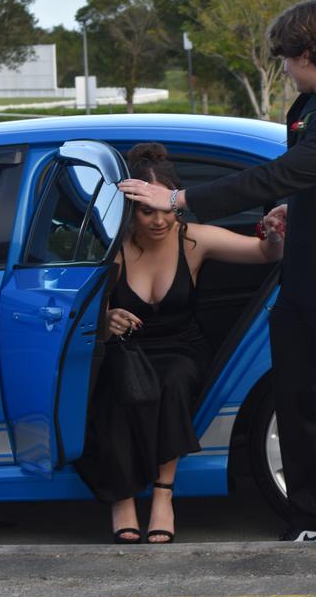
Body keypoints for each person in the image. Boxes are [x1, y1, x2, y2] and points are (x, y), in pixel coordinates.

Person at [119, 0, 316, 542]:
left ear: (310, 52)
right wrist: (297, 209)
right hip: (303, 278)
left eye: (287, 59)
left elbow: (282, 172)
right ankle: (314, 519)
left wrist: (175, 197)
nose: (284, 69)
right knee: (294, 404)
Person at [76, 142, 284, 544]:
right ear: (128, 210)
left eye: (167, 209)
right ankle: (121, 498)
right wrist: (104, 321)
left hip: (182, 348)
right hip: (128, 351)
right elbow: (81, 317)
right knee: (116, 385)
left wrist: (274, 233)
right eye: (146, 211)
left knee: (173, 382)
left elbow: (264, 254)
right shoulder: (111, 252)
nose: (159, 221)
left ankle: (162, 495)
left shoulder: (194, 240)